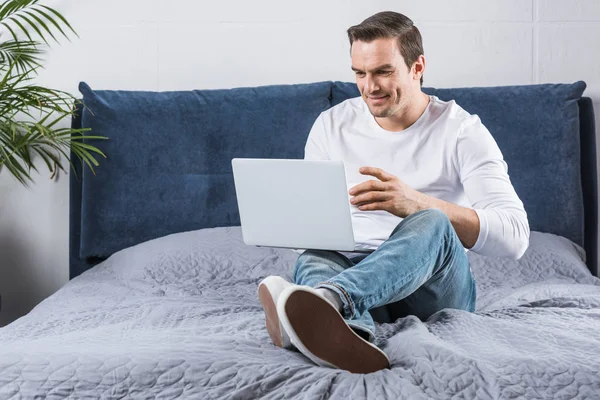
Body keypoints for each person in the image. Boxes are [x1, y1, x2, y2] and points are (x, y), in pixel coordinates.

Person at [257, 11, 530, 374]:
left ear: (417, 67)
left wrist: (416, 203)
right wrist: (295, 224)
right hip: (360, 273)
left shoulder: (462, 131)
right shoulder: (332, 125)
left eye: (383, 72)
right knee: (313, 255)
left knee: (431, 221)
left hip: (433, 291)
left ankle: (327, 301)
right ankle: (347, 333)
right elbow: (309, 228)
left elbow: (515, 237)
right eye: (359, 73)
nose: (370, 86)